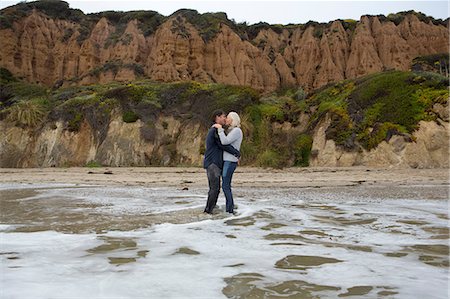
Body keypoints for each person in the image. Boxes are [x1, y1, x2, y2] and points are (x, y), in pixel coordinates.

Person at [203, 110, 240, 214]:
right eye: (224, 116)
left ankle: (211, 210)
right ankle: (207, 211)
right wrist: (237, 153)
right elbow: (222, 144)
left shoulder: (219, 130)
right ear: (217, 117)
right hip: (212, 163)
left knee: (216, 189)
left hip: (215, 163)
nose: (225, 119)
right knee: (214, 188)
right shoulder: (215, 130)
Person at [213, 112, 243, 214]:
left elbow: (225, 142)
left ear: (233, 120)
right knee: (226, 185)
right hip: (228, 160)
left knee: (226, 185)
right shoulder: (232, 131)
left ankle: (229, 209)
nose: (226, 119)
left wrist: (219, 129)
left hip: (230, 161)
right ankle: (230, 207)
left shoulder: (236, 131)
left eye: (228, 118)